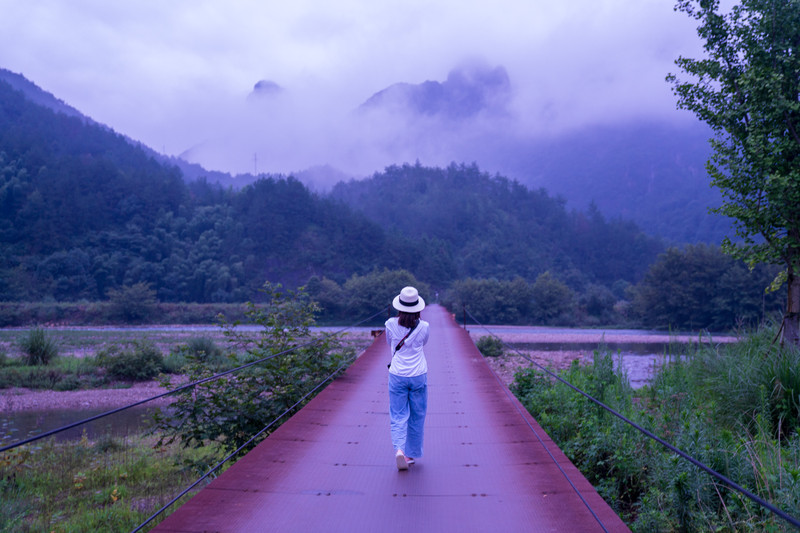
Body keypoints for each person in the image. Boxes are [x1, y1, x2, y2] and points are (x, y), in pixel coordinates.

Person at [385, 286, 430, 471]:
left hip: (397, 375)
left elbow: (390, 343)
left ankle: (399, 451)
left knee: (398, 415)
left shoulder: (389, 324)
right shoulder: (425, 327)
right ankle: (411, 454)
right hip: (418, 374)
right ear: (418, 307)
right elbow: (424, 343)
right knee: (417, 415)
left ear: (399, 306)